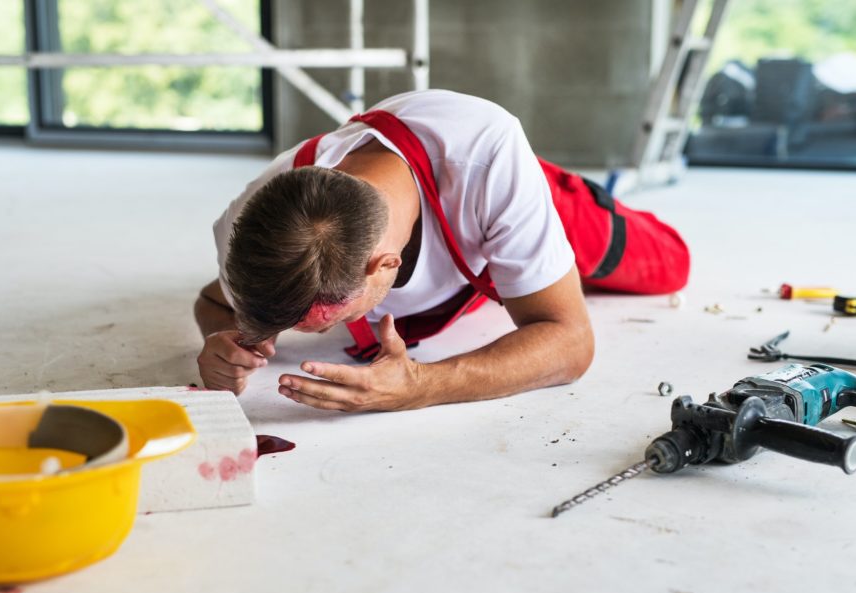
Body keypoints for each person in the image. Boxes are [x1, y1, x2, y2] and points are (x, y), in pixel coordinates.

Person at [195, 89, 689, 412]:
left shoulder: (487, 159)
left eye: (321, 322)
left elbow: (570, 343)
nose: (301, 333)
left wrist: (419, 386)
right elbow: (215, 300)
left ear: (385, 266)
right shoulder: (245, 226)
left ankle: (550, 215)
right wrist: (221, 341)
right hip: (460, 238)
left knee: (669, 266)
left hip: (499, 201)